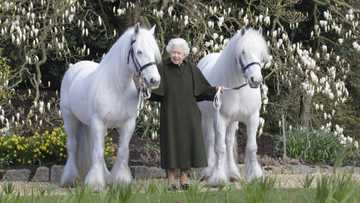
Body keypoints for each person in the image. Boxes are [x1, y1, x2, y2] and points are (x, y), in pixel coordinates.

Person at [150, 38, 222, 190]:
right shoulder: (162, 67)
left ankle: (184, 179)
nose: (176, 56)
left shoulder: (192, 69)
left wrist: (216, 90)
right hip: (170, 114)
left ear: (184, 55)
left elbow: (202, 90)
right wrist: (143, 88)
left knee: (189, 146)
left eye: (179, 53)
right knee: (170, 146)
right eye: (174, 52)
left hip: (190, 115)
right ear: (170, 52)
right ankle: (171, 180)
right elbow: (154, 91)